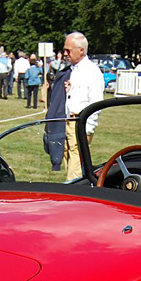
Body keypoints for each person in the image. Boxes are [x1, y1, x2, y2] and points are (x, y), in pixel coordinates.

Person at [62, 31, 103, 180]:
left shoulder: (92, 71)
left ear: (81, 50)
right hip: (68, 120)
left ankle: (73, 191)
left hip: (80, 121)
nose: (65, 53)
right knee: (68, 154)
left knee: (76, 159)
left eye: (68, 50)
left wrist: (88, 128)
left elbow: (96, 102)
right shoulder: (73, 70)